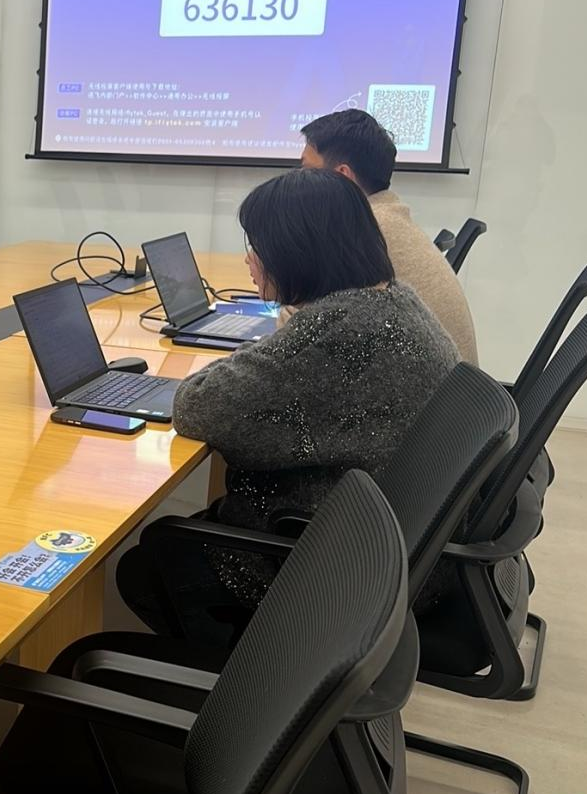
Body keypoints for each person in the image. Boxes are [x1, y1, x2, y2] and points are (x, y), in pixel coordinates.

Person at [116, 168, 459, 648]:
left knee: (145, 565)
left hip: (336, 569)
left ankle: (257, 675)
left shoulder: (333, 333)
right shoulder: (395, 300)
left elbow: (195, 408)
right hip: (398, 544)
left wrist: (265, 351)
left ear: (296, 252)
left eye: (258, 247)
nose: (250, 260)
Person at [299, 108, 478, 363]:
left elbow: (297, 330)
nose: (297, 181)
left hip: (420, 385)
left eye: (306, 171)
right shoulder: (388, 218)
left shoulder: (361, 232)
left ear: (342, 177)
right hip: (447, 382)